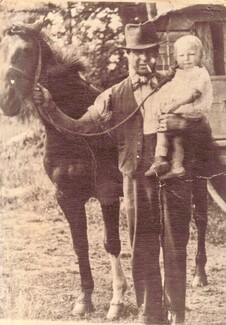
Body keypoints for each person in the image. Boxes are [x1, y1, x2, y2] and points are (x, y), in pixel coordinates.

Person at [33, 21, 211, 324]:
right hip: (136, 184)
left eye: (149, 53)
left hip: (174, 182)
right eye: (136, 54)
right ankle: (150, 315)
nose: (143, 59)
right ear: (127, 55)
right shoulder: (112, 96)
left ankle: (178, 316)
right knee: (142, 251)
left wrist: (183, 125)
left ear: (158, 54)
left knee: (175, 250)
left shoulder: (177, 84)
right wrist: (50, 108)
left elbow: (203, 127)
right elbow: (79, 127)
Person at [145, 35, 213, 179]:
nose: (186, 58)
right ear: (176, 57)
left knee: (176, 135)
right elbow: (170, 88)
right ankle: (163, 161)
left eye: (191, 54)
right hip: (181, 112)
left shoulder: (199, 73)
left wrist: (175, 104)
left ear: (200, 55)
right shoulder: (179, 73)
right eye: (181, 55)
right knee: (168, 134)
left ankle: (172, 163)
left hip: (192, 111)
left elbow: (193, 94)